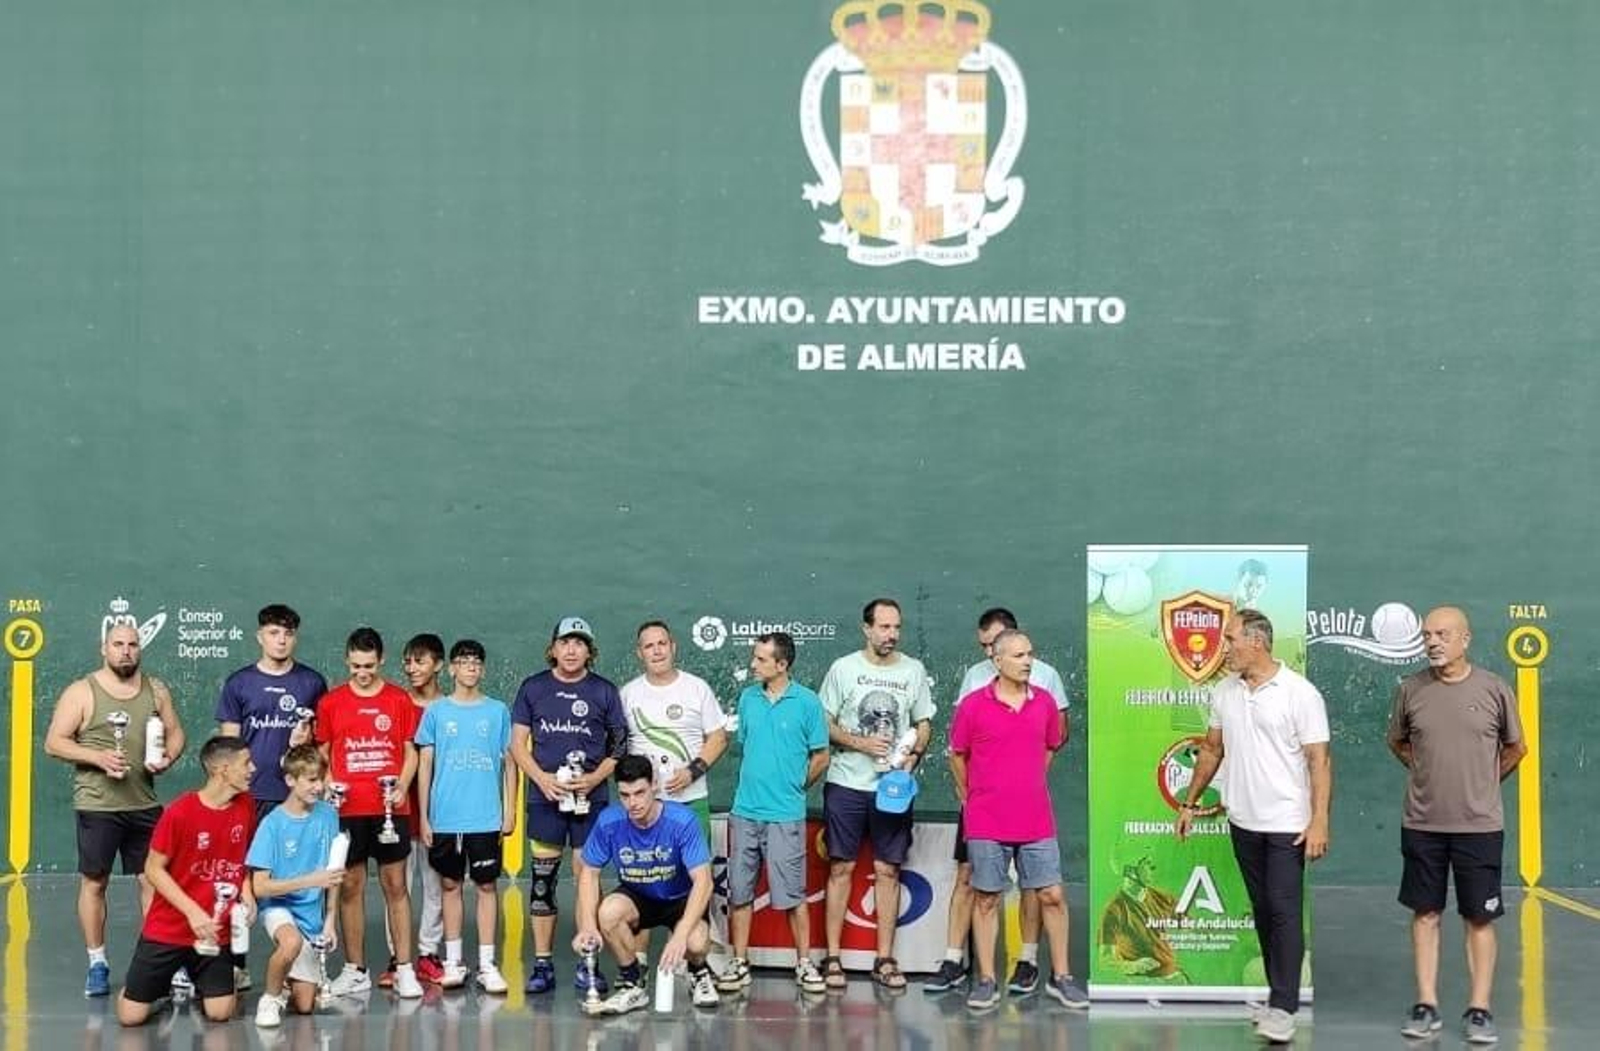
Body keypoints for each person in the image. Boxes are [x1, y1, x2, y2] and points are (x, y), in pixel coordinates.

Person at [1176, 609, 1331, 1044]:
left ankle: (1283, 1008)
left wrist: (1319, 820)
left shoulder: (1300, 694)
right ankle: (1276, 995)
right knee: (1263, 911)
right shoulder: (1225, 692)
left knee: (1283, 910)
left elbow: (1320, 761)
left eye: (1230, 640)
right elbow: (1211, 750)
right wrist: (1189, 803)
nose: (1224, 648)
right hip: (1243, 821)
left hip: (1288, 824)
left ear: (1256, 642)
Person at [1388, 606, 1525, 1045]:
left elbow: (1516, 748)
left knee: (1478, 919)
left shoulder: (1494, 689)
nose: (1432, 641)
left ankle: (1480, 1009)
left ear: (1465, 639)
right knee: (1425, 913)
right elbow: (1398, 741)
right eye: (1427, 634)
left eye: (1442, 634)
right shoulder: (1411, 690)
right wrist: (1426, 773)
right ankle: (1426, 1004)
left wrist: (1483, 783)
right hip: (1423, 824)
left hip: (1480, 827)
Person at [927, 606, 1071, 995]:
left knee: (1039, 886)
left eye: (993, 643)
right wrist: (973, 793)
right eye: (984, 646)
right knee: (972, 880)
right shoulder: (975, 686)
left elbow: (1054, 737)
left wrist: (1026, 779)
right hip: (982, 805)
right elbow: (960, 747)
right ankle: (956, 961)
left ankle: (1029, 963)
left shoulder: (1044, 688)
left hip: (1028, 807)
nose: (987, 651)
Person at [44, 621, 185, 999]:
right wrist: (96, 756)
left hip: (145, 803)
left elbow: (176, 732)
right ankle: (97, 962)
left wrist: (168, 756)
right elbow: (54, 742)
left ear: (141, 648)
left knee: (152, 881)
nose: (126, 650)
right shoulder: (81, 692)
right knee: (96, 882)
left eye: (133, 644)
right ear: (103, 648)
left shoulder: (155, 690)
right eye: (118, 644)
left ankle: (159, 960)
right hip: (98, 805)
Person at [818, 598, 934, 992]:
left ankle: (884, 958)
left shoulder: (913, 671)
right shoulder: (843, 669)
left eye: (896, 627)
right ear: (866, 629)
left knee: (888, 870)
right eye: (884, 627)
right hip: (847, 783)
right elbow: (825, 723)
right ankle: (832, 957)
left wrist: (912, 758)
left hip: (893, 789)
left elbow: (923, 723)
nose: (892, 634)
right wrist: (860, 743)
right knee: (840, 869)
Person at [509, 615, 629, 995]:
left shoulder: (605, 691)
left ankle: (587, 960)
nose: (572, 649)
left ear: (589, 650)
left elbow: (620, 746)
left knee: (586, 878)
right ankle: (542, 964)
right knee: (542, 881)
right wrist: (541, 779)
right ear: (554, 648)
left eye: (579, 643)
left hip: (590, 801)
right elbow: (516, 744)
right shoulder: (533, 688)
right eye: (565, 642)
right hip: (545, 800)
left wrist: (595, 778)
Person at [216, 602, 328, 989]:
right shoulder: (239, 683)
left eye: (288, 633)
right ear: (260, 636)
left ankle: (307, 957)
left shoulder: (312, 683)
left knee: (304, 873)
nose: (281, 640)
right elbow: (228, 747)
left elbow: (319, 745)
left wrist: (305, 742)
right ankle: (237, 963)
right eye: (274, 633)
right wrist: (230, 792)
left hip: (298, 800)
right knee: (241, 880)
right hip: (251, 798)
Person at [717, 631, 831, 996]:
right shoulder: (748, 698)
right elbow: (747, 745)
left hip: (786, 816)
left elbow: (821, 756)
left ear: (782, 665)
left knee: (792, 896)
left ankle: (804, 963)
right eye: (755, 657)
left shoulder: (808, 703)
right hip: (744, 812)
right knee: (740, 893)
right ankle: (739, 962)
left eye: (762, 659)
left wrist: (796, 787)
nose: (754, 664)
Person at [115, 736, 256, 1027]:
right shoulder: (179, 812)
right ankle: (148, 986)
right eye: (246, 763)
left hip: (216, 932)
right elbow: (153, 870)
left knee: (220, 1013)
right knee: (131, 1017)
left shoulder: (246, 806)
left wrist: (248, 892)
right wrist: (193, 912)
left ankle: (204, 977)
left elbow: (240, 861)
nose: (252, 769)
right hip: (169, 929)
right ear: (223, 770)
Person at [314, 626, 424, 999]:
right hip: (347, 810)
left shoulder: (398, 700)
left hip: (391, 809)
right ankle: (355, 969)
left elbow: (411, 752)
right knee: (350, 887)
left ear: (381, 661)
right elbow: (324, 755)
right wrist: (329, 785)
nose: (362, 672)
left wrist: (401, 788)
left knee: (396, 886)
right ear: (347, 660)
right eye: (356, 666)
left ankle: (405, 969)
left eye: (369, 666)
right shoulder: (330, 703)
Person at [571, 754, 719, 1014]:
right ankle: (632, 982)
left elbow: (704, 882)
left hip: (680, 899)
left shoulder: (682, 821)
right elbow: (589, 873)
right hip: (637, 896)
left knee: (695, 944)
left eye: (639, 793)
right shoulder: (609, 821)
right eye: (625, 795)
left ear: (654, 785)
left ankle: (698, 972)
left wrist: (680, 936)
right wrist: (587, 926)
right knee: (608, 912)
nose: (633, 803)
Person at [619, 620, 728, 966]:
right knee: (644, 880)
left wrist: (692, 771)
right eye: (649, 646)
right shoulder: (628, 694)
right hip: (647, 810)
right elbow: (619, 748)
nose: (657, 650)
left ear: (673, 646)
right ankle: (640, 961)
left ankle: (694, 962)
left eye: (662, 643)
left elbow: (718, 738)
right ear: (640, 653)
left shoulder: (697, 689)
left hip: (690, 801)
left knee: (695, 880)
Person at [415, 638, 515, 994]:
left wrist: (509, 810)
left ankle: (488, 964)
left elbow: (510, 763)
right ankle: (453, 961)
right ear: (452, 668)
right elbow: (425, 765)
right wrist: (425, 818)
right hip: (446, 819)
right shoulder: (437, 712)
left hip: (486, 818)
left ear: (482, 669)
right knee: (449, 885)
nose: (471, 667)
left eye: (477, 661)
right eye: (464, 661)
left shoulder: (498, 711)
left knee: (487, 886)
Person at [246, 744, 345, 1027]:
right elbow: (261, 888)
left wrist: (329, 921)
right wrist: (310, 880)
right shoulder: (272, 824)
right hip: (278, 907)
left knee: (304, 1006)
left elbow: (334, 873)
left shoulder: (329, 815)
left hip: (311, 915)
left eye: (321, 779)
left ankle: (289, 982)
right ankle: (270, 998)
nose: (319, 786)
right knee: (291, 942)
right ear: (290, 780)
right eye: (311, 780)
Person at [383, 633, 447, 987]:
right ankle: (398, 957)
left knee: (435, 883)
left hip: (439, 810)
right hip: (398, 809)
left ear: (438, 665)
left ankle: (427, 953)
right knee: (398, 884)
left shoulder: (449, 706)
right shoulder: (395, 702)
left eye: (419, 661)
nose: (412, 669)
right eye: (407, 661)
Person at [1097, 842, 1185, 983]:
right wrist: (1132, 966)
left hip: (1176, 979)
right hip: (1142, 984)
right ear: (1131, 870)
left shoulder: (1164, 899)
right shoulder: (1115, 910)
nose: (1153, 867)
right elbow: (1105, 960)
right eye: (1147, 863)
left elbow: (1192, 927)